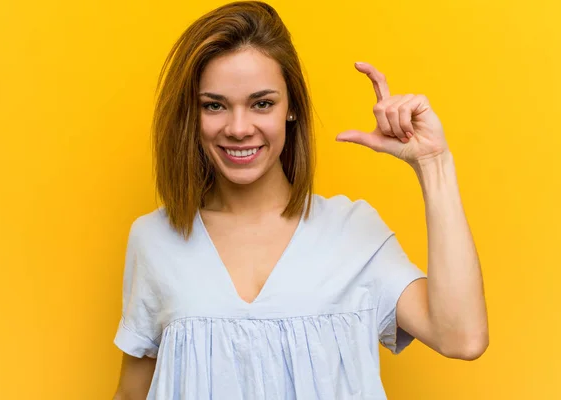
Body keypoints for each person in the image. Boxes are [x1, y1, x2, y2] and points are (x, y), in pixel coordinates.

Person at [112, 1, 489, 399]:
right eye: (215, 105)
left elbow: (461, 338)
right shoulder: (155, 240)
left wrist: (434, 164)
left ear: (291, 108)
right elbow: (130, 394)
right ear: (193, 113)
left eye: (262, 103)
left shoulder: (351, 232)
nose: (239, 128)